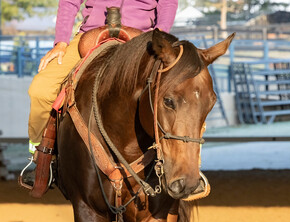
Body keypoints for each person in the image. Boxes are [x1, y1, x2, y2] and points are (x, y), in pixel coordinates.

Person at [27, 0, 178, 154]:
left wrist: (160, 33)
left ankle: (182, 163)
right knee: (41, 89)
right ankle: (41, 157)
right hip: (91, 35)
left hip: (143, 37)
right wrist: (61, 42)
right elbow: (69, 2)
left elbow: (168, 3)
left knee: (181, 89)